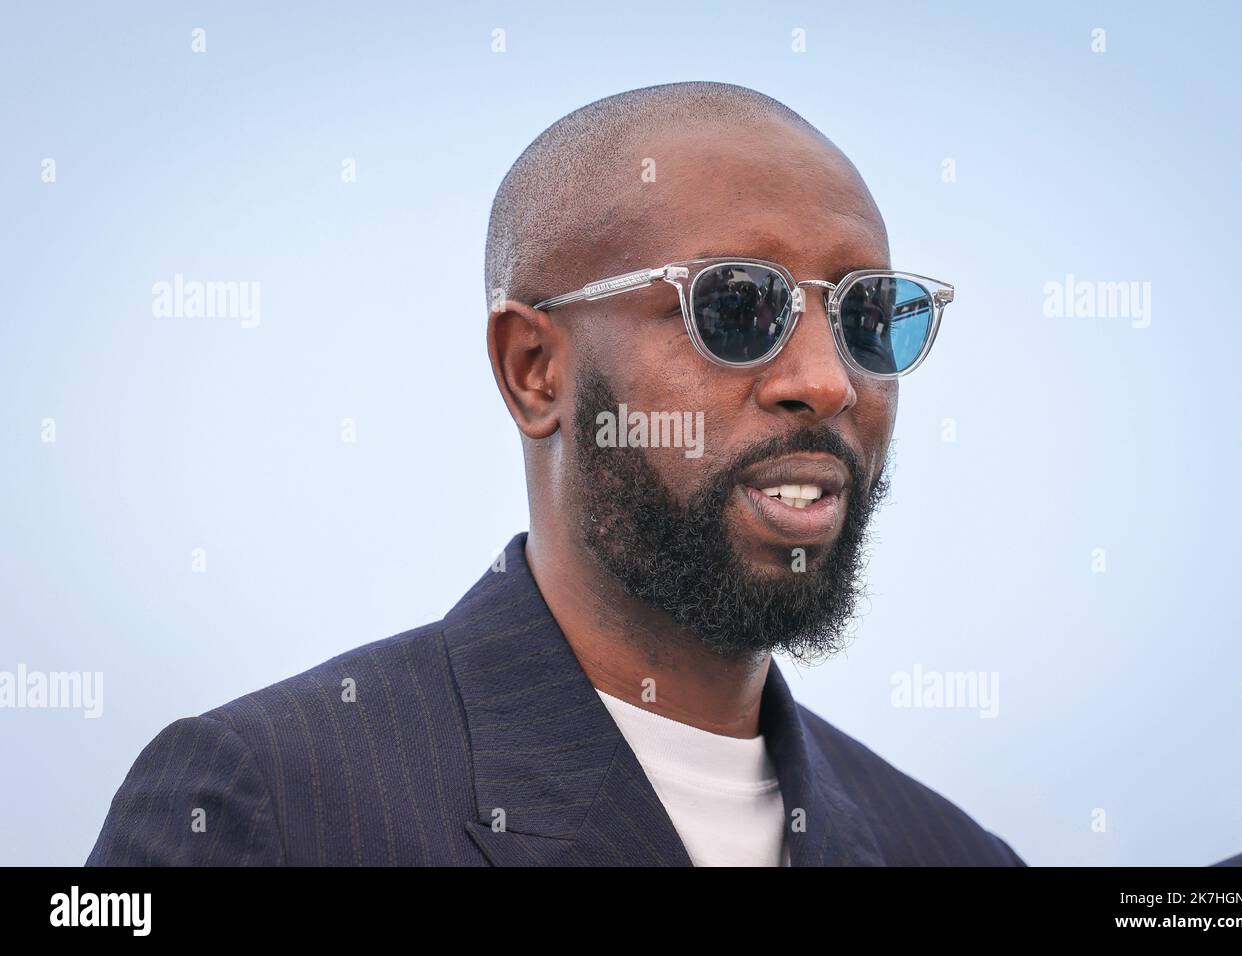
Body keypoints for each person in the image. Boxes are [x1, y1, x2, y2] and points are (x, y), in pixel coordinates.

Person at [87, 81, 1023, 867]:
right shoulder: (272, 805)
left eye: (869, 317)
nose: (825, 380)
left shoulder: (952, 854)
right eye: (738, 306)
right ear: (536, 369)